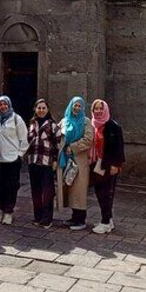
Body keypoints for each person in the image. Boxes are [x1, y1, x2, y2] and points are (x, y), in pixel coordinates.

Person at [57, 95, 93, 230]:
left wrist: (72, 147)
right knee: (70, 189)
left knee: (79, 190)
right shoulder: (65, 121)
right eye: (75, 105)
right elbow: (57, 135)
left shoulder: (85, 122)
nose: (77, 108)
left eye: (79, 106)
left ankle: (81, 219)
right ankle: (73, 217)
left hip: (79, 160)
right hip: (65, 160)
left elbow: (89, 139)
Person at [89, 99, 125, 234]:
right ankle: (108, 220)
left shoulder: (113, 126)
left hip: (108, 165)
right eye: (95, 109)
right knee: (99, 192)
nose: (98, 111)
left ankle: (105, 222)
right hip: (95, 164)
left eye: (100, 108)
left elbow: (119, 147)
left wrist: (116, 164)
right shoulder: (91, 125)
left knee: (107, 193)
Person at [0, 95, 28, 225]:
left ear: (9, 105)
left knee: (11, 187)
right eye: (0, 105)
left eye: (5, 104)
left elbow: (24, 139)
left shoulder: (17, 119)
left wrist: (20, 155)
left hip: (13, 159)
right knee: (0, 185)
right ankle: (1, 209)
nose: (3, 107)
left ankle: (8, 212)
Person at [25, 98, 62, 228]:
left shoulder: (52, 125)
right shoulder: (31, 123)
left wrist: (56, 160)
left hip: (46, 163)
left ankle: (47, 219)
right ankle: (38, 216)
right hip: (33, 161)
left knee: (47, 192)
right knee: (36, 191)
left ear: (47, 110)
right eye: (39, 108)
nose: (41, 110)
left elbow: (58, 144)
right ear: (35, 109)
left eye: (43, 108)